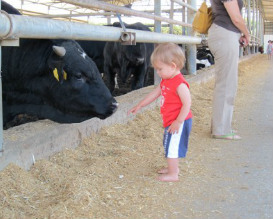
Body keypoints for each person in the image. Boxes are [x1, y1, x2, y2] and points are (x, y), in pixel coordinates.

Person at [128, 43, 192, 182]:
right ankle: (171, 168)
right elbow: (155, 93)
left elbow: (187, 104)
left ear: (173, 66)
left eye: (160, 69)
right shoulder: (166, 80)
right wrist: (140, 105)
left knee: (171, 147)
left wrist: (178, 121)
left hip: (179, 121)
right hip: (171, 120)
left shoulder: (180, 84)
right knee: (168, 144)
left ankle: (174, 174)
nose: (157, 72)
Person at [208, 0, 250, 140]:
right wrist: (247, 33)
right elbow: (236, 18)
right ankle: (221, 129)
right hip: (225, 34)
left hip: (223, 33)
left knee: (224, 82)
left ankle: (219, 126)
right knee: (227, 84)